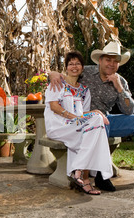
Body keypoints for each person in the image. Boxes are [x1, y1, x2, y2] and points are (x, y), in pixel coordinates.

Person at [48, 41, 134, 191]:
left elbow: (129, 110)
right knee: (99, 122)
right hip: (84, 120)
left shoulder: (121, 81)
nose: (111, 64)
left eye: (115, 61)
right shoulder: (85, 72)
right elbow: (66, 75)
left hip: (106, 118)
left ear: (119, 64)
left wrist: (119, 88)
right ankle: (101, 176)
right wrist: (52, 73)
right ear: (100, 60)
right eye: (108, 60)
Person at [44, 51, 112, 195]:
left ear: (82, 67)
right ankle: (84, 177)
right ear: (66, 67)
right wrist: (74, 118)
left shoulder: (84, 90)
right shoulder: (58, 83)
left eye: (78, 64)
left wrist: (97, 113)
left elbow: (84, 114)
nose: (74, 67)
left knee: (96, 124)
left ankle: (80, 172)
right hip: (58, 125)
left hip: (75, 124)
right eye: (71, 64)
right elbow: (54, 106)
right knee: (93, 132)